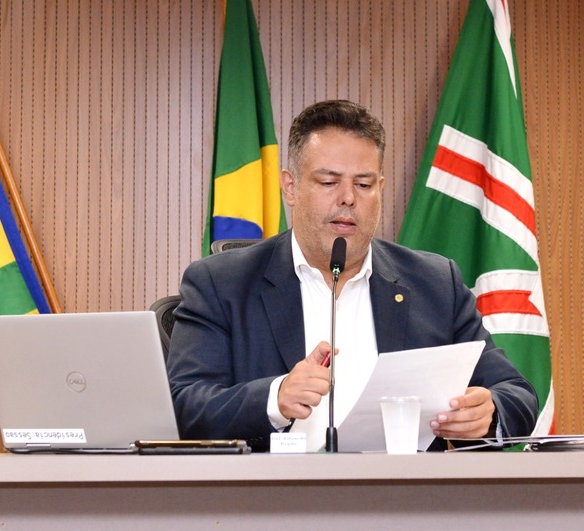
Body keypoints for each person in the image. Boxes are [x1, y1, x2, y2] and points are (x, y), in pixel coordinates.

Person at [167, 99, 538, 452]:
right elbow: (183, 405)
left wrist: (487, 413)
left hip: (405, 491)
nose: (347, 198)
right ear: (291, 187)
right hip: (272, 492)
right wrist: (274, 398)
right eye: (329, 182)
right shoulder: (221, 283)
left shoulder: (435, 284)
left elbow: (517, 393)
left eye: (363, 184)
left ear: (380, 189)